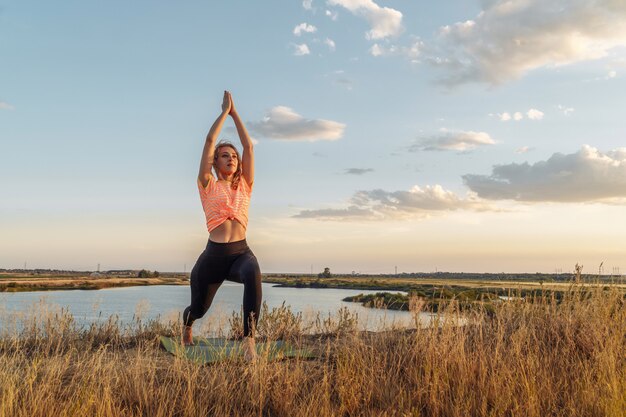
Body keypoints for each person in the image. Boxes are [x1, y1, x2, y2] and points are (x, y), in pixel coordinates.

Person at [182, 90, 261, 361]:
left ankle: (248, 339)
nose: (231, 158)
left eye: (233, 156)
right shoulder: (207, 184)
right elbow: (209, 140)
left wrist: (236, 113)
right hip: (213, 258)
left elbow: (249, 147)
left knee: (253, 273)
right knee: (199, 308)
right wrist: (223, 113)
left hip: (240, 254)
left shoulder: (245, 186)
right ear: (215, 162)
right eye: (225, 155)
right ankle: (187, 326)